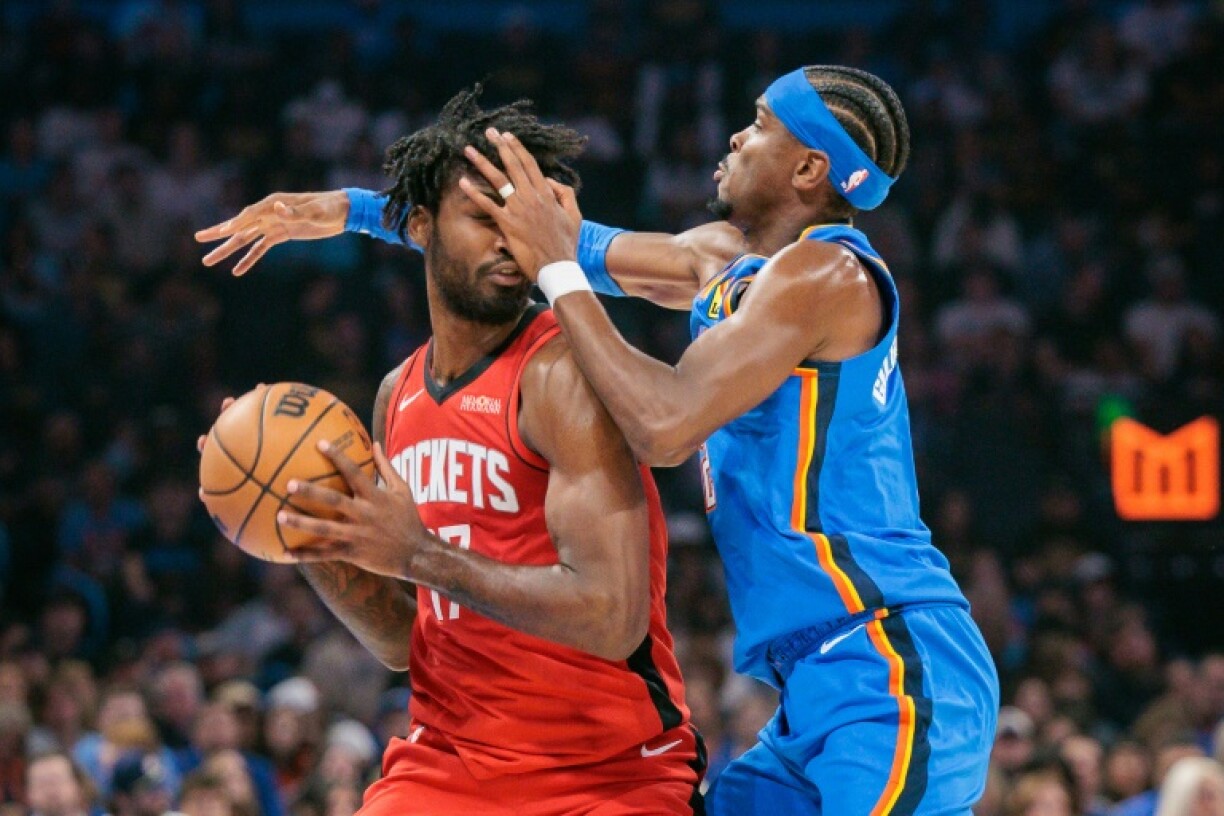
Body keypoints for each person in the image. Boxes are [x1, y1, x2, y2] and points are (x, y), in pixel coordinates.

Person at [198, 66, 998, 814]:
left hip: (892, 661)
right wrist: (351, 211)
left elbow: (663, 424)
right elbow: (537, 243)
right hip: (814, 681)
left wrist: (556, 270)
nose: (732, 140)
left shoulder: (827, 276)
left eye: (756, 127)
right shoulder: (726, 263)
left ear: (807, 171)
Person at [197, 87, 701, 816]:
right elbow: (407, 639)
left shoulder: (562, 377)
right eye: (483, 219)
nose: (510, 243)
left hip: (605, 772)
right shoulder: (394, 396)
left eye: (521, 223)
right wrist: (308, 528)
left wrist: (418, 556)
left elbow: (612, 615)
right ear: (422, 228)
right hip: (448, 763)